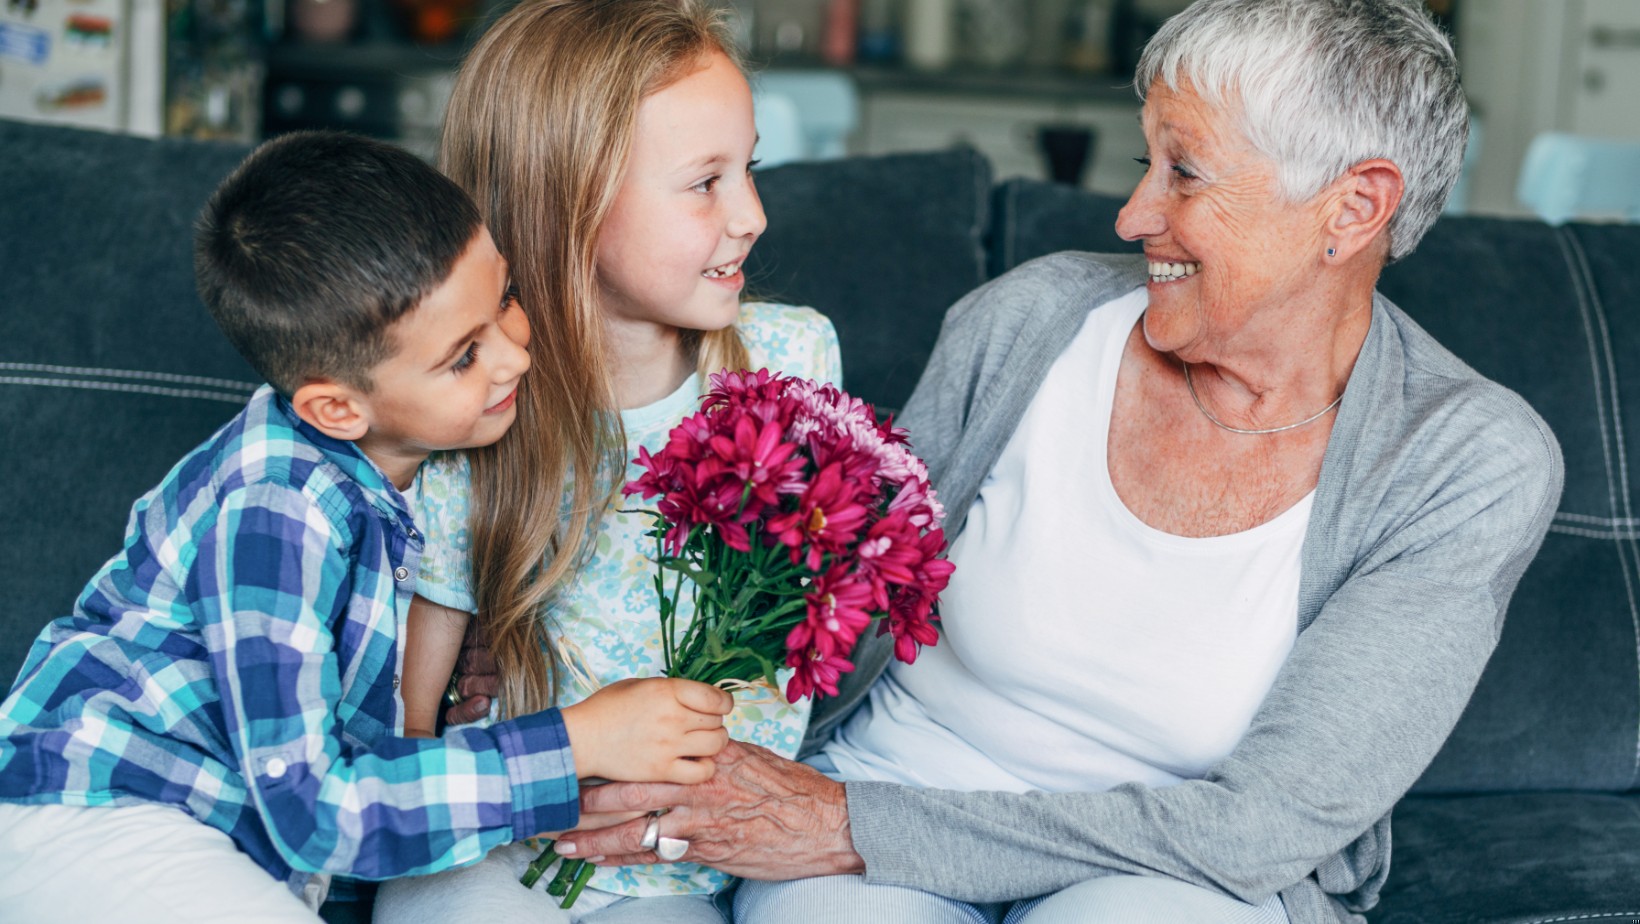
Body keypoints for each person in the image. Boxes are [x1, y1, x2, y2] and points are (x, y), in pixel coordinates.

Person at [541, 1, 1566, 922]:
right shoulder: (1028, 319)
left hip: (1162, 866)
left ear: (1350, 209)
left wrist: (853, 827)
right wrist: (542, 647)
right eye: (1142, 164)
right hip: (893, 782)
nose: (1130, 217)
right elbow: (828, 591)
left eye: (1184, 171)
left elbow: (1258, 832)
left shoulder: (1465, 461)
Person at [0, 130, 733, 924]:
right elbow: (316, 811)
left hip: (223, 838)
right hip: (97, 812)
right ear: (337, 409)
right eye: (462, 356)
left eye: (506, 301)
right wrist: (577, 742)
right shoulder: (277, 509)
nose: (514, 359)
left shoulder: (417, 467)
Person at [371, 1, 843, 922]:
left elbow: (816, 623)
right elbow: (408, 724)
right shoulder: (480, 409)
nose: (752, 215)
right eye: (705, 182)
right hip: (502, 846)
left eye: (751, 169)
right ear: (570, 197)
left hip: (687, 861)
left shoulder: (793, 364)